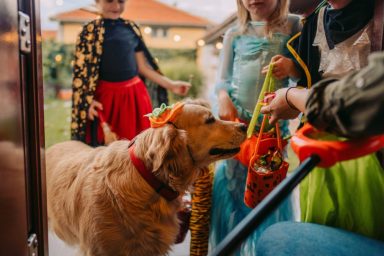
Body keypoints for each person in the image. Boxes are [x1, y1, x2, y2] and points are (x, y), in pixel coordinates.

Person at [260, 0, 384, 242]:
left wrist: (292, 97)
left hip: (374, 161)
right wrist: (292, 100)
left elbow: (360, 101)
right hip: (321, 159)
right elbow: (311, 84)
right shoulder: (314, 23)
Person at [209, 0, 301, 254]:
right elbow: (223, 79)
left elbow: (303, 75)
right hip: (237, 125)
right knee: (233, 186)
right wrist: (223, 97)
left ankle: (265, 248)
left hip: (270, 129)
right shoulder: (235, 32)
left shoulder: (294, 24)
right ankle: (233, 247)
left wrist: (291, 67)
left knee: (266, 187)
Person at [70, 0, 191, 146]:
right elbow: (81, 72)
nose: (116, 6)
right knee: (107, 149)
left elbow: (143, 68)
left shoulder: (131, 29)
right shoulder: (88, 32)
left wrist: (171, 85)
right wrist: (87, 100)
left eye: (121, 1)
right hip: (105, 100)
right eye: (109, 1)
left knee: (137, 146)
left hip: (135, 98)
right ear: (97, 1)